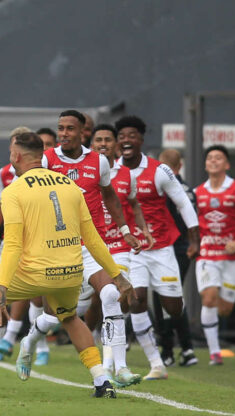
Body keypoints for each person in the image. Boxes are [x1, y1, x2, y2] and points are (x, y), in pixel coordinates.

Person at [0, 131, 134, 399]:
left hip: (34, 273)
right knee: (69, 317)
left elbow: (12, 245)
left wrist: (0, 290)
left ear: (16, 155)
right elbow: (93, 239)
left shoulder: (14, 191)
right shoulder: (71, 186)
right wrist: (118, 277)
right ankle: (102, 381)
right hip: (71, 272)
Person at [35, 110, 144, 383]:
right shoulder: (46, 160)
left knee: (111, 294)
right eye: (60, 128)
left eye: (69, 129)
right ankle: (28, 343)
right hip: (58, 248)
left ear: (82, 132)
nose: (63, 134)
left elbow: (111, 198)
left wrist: (125, 231)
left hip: (92, 246)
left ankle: (119, 368)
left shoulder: (98, 162)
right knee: (54, 314)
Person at [116, 115, 200, 379]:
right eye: (122, 136)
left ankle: (175, 331)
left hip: (162, 247)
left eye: (131, 136)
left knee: (173, 307)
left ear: (141, 140)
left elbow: (183, 204)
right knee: (136, 299)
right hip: (132, 249)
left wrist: (195, 238)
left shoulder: (160, 170)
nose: (126, 140)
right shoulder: (111, 170)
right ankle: (157, 364)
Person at [84, 124, 154, 386]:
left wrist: (139, 230)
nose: (103, 144)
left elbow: (133, 205)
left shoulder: (126, 174)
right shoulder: (83, 169)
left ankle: (115, 366)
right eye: (98, 140)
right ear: (91, 145)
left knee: (115, 296)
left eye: (107, 140)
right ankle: (33, 338)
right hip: (87, 247)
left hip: (118, 246)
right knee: (64, 311)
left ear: (115, 145)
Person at [0, 127, 49, 365]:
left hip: (39, 241)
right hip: (12, 241)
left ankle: (40, 347)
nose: (12, 153)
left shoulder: (46, 170)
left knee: (38, 295)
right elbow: (2, 204)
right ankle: (1, 345)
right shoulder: (4, 174)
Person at [194, 145, 235, 365]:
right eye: (210, 158)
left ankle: (213, 329)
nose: (214, 161)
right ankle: (214, 352)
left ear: (227, 164)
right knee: (208, 299)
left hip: (232, 257)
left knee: (224, 309)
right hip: (207, 254)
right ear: (206, 164)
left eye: (218, 158)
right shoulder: (198, 193)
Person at [154, 149, 198, 367]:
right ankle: (187, 348)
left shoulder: (165, 189)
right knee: (174, 296)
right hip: (184, 248)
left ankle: (168, 349)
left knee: (165, 297)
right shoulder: (189, 189)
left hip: (169, 248)